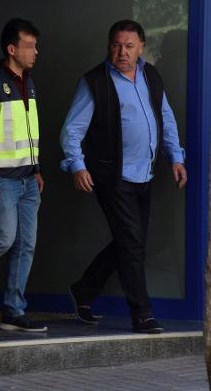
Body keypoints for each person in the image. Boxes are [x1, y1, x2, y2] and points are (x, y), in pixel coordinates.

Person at [60, 19, 186, 334]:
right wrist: (77, 165)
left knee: (133, 242)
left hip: (145, 174)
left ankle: (85, 290)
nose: (122, 52)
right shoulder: (95, 81)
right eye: (116, 45)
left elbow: (165, 117)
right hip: (112, 176)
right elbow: (71, 130)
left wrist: (176, 156)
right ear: (109, 46)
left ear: (141, 47)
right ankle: (142, 313)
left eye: (129, 46)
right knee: (132, 245)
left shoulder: (151, 76)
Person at [0, 18, 46, 332]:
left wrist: (37, 169)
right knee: (3, 238)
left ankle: (13, 311)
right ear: (12, 49)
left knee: (26, 244)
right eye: (29, 46)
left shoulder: (28, 81)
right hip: (1, 180)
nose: (36, 52)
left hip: (28, 180)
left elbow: (28, 132)